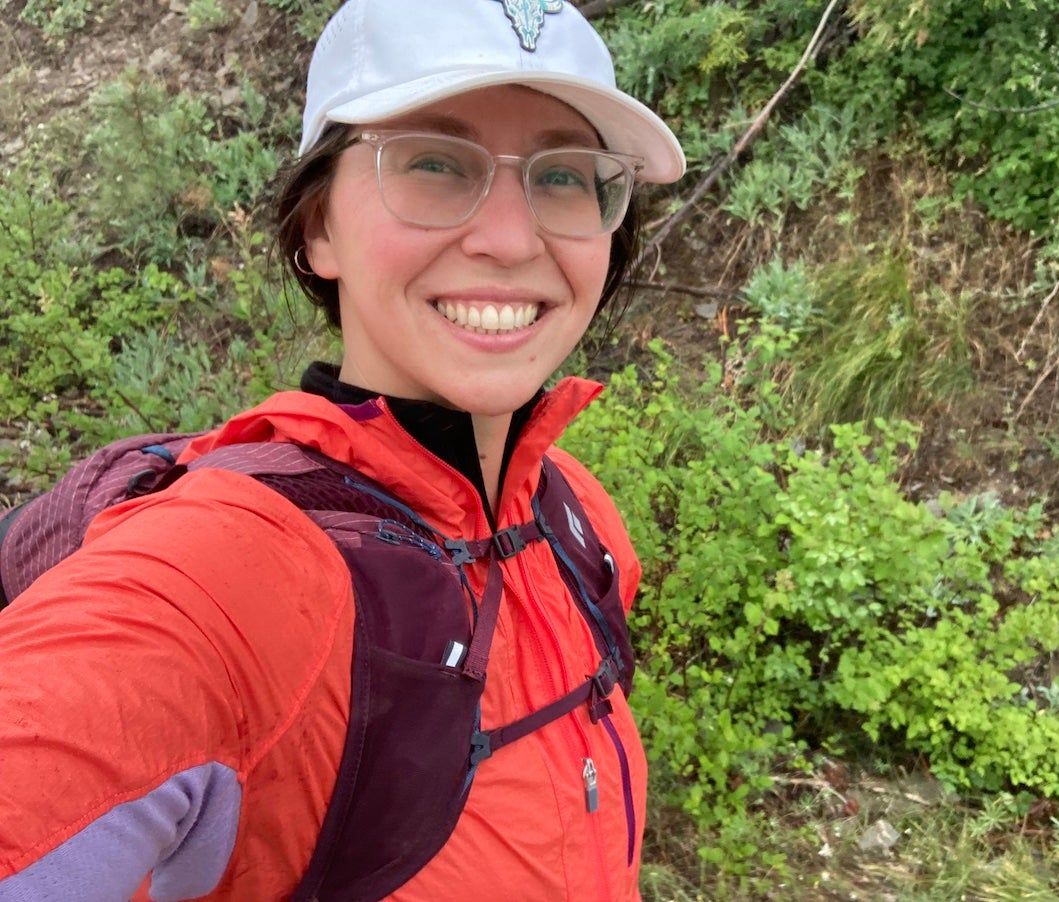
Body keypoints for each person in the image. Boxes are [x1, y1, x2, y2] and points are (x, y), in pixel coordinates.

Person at [0, 0, 685, 899]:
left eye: (565, 176)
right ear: (319, 226)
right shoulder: (228, 572)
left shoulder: (576, 515)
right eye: (435, 164)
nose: (513, 239)